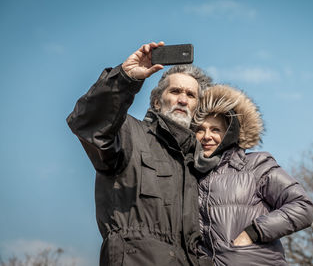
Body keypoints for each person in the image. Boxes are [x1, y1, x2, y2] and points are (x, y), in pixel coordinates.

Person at [66, 41, 213, 266]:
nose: (183, 99)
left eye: (191, 95)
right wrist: (125, 78)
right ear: (156, 101)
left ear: (197, 109)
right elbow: (86, 123)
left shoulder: (200, 164)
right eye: (175, 91)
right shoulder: (128, 133)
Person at [192, 84, 313, 266]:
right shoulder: (189, 175)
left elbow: (303, 207)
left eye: (215, 130)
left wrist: (253, 232)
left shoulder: (256, 166)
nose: (206, 136)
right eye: (200, 129)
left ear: (229, 133)